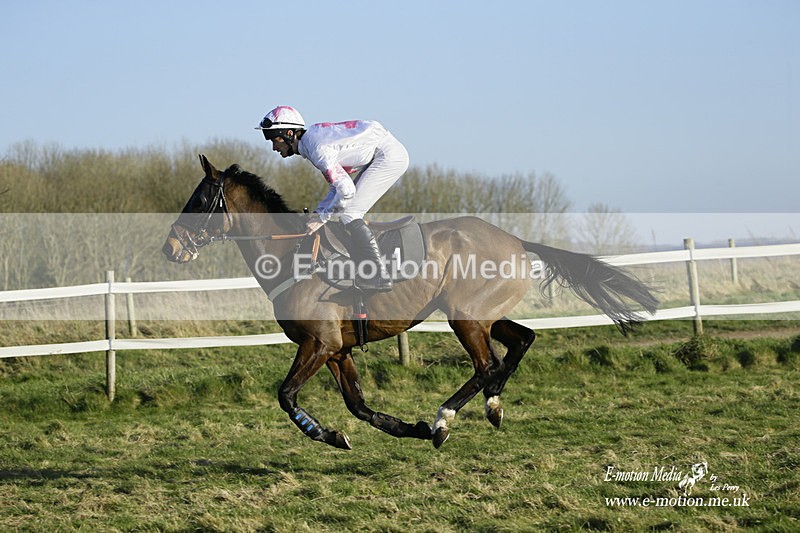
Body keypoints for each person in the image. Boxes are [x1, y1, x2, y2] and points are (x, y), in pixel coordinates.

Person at [256, 106, 409, 292]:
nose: (274, 147)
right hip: (381, 151)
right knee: (345, 211)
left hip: (388, 156)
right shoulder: (312, 142)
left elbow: (346, 191)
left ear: (289, 133)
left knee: (350, 213)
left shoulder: (317, 149)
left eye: (275, 140)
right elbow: (337, 187)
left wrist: (322, 218)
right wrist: (320, 211)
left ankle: (378, 276)